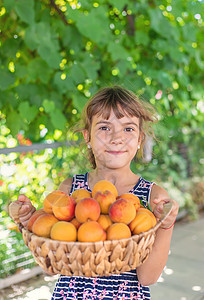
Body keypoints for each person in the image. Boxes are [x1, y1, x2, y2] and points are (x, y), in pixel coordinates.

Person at [12, 86, 179, 300]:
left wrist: (165, 224)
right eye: (104, 127)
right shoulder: (70, 191)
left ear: (140, 139)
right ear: (87, 137)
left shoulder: (151, 197)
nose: (117, 137)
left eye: (128, 129)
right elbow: (51, 268)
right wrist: (31, 222)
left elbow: (147, 277)